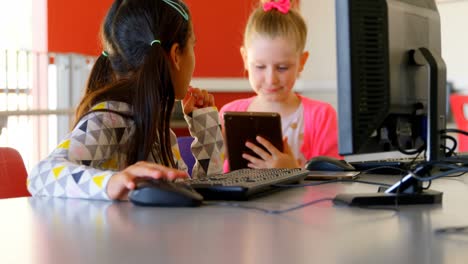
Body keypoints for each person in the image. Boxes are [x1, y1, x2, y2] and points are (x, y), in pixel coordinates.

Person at [27, 0, 224, 201]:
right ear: (176, 55)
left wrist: (207, 134)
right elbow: (41, 175)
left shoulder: (158, 129)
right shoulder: (111, 118)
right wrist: (113, 182)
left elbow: (192, 199)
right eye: (193, 46)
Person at [219, 0, 340, 172]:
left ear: (302, 62)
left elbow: (335, 182)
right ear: (245, 59)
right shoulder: (228, 115)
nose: (271, 79)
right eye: (260, 67)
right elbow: (218, 177)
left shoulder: (322, 117)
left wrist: (293, 171)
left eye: (282, 68)